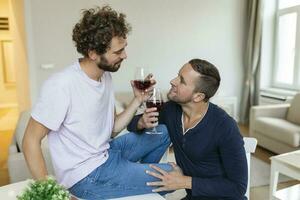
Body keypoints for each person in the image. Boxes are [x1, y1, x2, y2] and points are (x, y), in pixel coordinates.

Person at [22, 6, 172, 200]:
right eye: (118, 51)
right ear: (93, 53)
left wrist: (138, 100)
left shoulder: (105, 76)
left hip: (107, 154)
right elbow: (29, 142)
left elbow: (111, 130)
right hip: (87, 176)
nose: (125, 55)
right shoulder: (62, 85)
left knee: (163, 132)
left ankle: (131, 184)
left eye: (124, 48)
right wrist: (52, 194)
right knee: (171, 175)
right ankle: (132, 186)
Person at [128, 59, 248, 200]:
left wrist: (184, 181)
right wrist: (141, 122)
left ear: (198, 96)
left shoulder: (225, 126)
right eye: (177, 75)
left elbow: (238, 187)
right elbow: (131, 124)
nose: (173, 81)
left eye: (182, 81)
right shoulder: (171, 110)